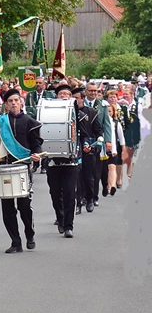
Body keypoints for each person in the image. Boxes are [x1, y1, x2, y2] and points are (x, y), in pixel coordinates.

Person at [0, 89, 43, 253]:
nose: (13, 103)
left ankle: (29, 233)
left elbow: (36, 144)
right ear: (5, 104)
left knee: (24, 205)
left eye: (16, 100)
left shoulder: (29, 121)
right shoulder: (1, 122)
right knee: (7, 207)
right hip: (5, 167)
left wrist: (36, 156)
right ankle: (15, 242)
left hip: (23, 167)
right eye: (10, 101)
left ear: (21, 102)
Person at [45, 85, 81, 237]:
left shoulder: (78, 113)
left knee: (69, 193)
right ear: (56, 96)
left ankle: (68, 226)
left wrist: (85, 144)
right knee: (54, 193)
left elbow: (84, 133)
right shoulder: (48, 114)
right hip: (53, 160)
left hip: (71, 160)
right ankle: (60, 218)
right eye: (61, 94)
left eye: (67, 94)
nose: (64, 96)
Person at [72, 87, 103, 215]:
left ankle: (90, 198)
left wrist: (97, 146)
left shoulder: (92, 112)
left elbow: (99, 132)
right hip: (74, 150)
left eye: (76, 98)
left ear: (82, 99)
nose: (73, 101)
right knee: (77, 178)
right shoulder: (69, 114)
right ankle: (78, 203)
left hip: (88, 149)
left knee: (88, 177)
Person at [84, 82, 112, 206]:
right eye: (91, 91)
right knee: (83, 171)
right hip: (83, 141)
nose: (93, 93)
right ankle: (85, 196)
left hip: (97, 141)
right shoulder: (79, 104)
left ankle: (94, 196)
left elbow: (106, 124)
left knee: (96, 171)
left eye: (95, 91)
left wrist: (108, 141)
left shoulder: (102, 106)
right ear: (86, 91)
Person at [25, 76, 54, 173]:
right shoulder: (29, 96)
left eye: (40, 83)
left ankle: (44, 165)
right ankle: (35, 164)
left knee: (45, 144)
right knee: (35, 143)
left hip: (46, 123)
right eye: (36, 83)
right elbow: (29, 110)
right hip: (34, 123)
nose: (38, 84)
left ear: (44, 84)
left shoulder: (49, 95)